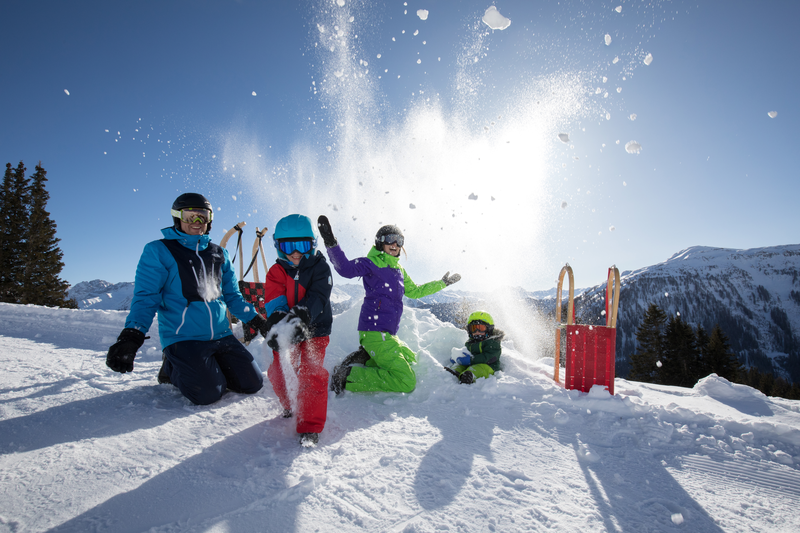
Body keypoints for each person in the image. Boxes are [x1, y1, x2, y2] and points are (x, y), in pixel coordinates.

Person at [105, 193, 269, 405]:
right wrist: (131, 336)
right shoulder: (159, 251)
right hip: (183, 337)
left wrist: (258, 321)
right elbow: (146, 298)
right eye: (190, 216)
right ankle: (171, 367)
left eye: (202, 216)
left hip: (221, 335)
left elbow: (233, 297)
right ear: (177, 218)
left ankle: (208, 366)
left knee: (252, 384)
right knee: (207, 394)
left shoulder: (219, 254)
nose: (197, 222)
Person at [317, 216, 461, 394]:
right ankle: (347, 376)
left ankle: (368, 358)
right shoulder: (371, 263)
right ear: (379, 243)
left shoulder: (399, 271)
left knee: (410, 358)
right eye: (389, 239)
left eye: (399, 240)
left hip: (388, 334)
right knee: (406, 381)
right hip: (374, 331)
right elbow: (345, 269)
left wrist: (442, 283)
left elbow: (415, 291)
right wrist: (332, 243)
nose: (395, 244)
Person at [261, 214, 333, 447]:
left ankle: (310, 426)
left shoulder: (320, 267)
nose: (295, 253)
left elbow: (318, 296)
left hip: (315, 329)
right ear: (278, 246)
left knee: (311, 372)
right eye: (288, 246)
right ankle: (291, 403)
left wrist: (301, 317)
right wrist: (279, 323)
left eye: (301, 246)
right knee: (279, 370)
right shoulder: (276, 271)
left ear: (312, 245)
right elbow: (275, 301)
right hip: (288, 329)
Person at [448, 311, 504, 384]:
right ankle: (452, 373)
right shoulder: (471, 342)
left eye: (481, 328)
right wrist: (457, 357)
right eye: (473, 328)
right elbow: (467, 352)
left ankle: (469, 376)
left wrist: (471, 360)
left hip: (488, 367)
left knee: (477, 369)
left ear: (489, 329)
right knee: (459, 365)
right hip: (473, 363)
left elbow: (489, 357)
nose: (477, 331)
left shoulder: (493, 342)